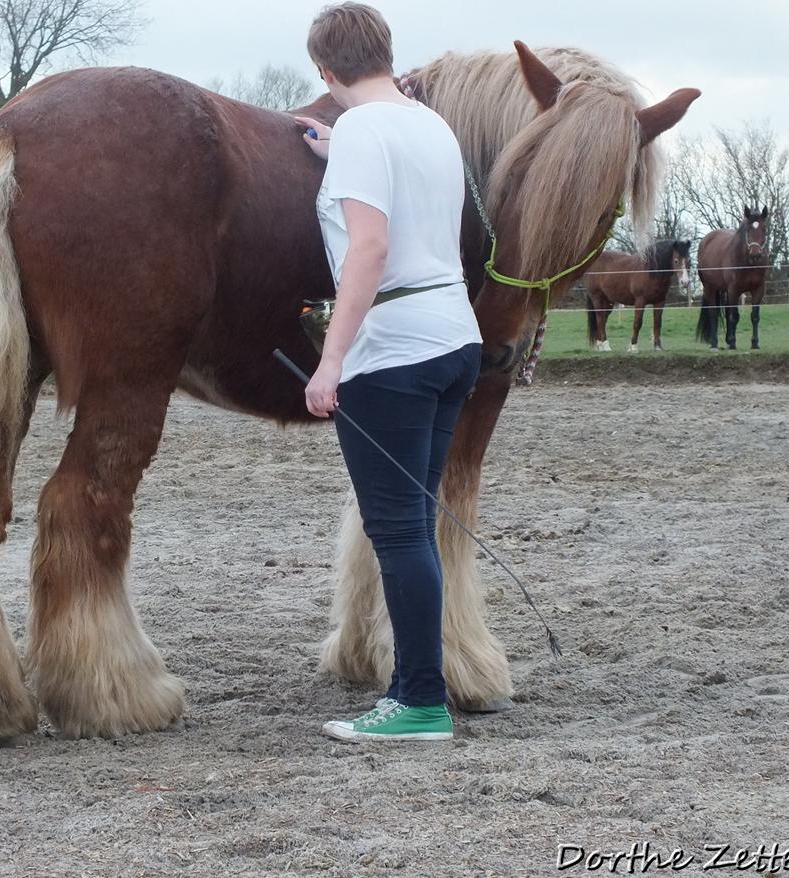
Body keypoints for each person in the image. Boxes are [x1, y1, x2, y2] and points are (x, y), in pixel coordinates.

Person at [293, 2, 482, 743]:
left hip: (392, 350)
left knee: (398, 531)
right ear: (384, 51)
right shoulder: (429, 126)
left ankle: (421, 705)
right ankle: (412, 688)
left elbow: (368, 250)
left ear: (324, 70)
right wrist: (342, 146)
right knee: (416, 528)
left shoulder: (367, 132)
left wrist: (331, 357)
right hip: (452, 340)